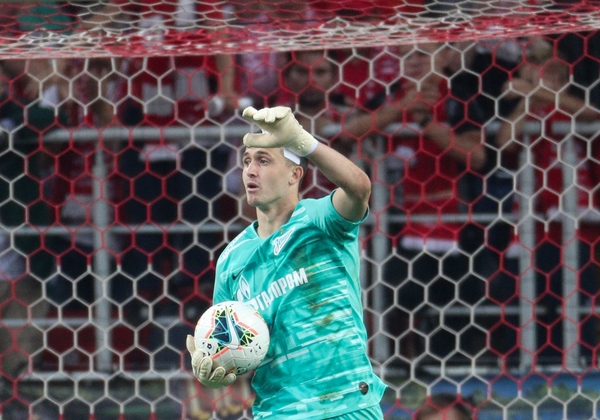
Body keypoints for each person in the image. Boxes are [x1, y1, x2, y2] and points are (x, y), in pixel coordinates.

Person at [186, 105, 387, 419]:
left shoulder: (319, 219)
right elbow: (231, 348)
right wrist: (214, 370)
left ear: (295, 174)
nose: (250, 171)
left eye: (263, 160)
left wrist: (305, 143)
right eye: (247, 161)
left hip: (348, 405)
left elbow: (359, 188)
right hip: (279, 411)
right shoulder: (231, 260)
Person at [496, 46, 600, 364]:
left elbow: (593, 115)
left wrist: (532, 91)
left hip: (578, 223)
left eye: (554, 72)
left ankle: (581, 363)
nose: (546, 76)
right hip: (533, 224)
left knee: (577, 295)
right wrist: (527, 102)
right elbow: (504, 142)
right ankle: (529, 364)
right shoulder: (528, 111)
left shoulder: (572, 107)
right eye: (538, 70)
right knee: (531, 296)